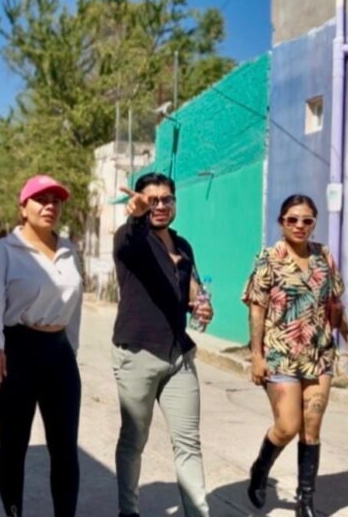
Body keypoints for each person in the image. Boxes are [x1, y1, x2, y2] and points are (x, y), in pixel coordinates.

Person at [243, 194, 348, 517]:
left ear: (314, 223)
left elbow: (334, 304)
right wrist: (256, 355)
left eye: (307, 220)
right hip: (279, 354)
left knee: (312, 427)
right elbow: (256, 309)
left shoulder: (324, 256)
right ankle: (260, 469)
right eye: (292, 219)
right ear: (281, 222)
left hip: (319, 354)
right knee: (287, 426)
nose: (299, 225)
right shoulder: (269, 258)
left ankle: (305, 500)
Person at [0, 174, 83, 517]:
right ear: (23, 208)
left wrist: (71, 350)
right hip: (16, 353)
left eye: (56, 201)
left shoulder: (69, 250)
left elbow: (75, 306)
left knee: (65, 448)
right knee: (14, 446)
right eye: (41, 200)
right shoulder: (4, 252)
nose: (50, 206)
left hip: (59, 354)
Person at [112, 172, 213, 517]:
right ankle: (129, 512)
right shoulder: (130, 236)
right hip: (138, 353)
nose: (159, 206)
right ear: (139, 202)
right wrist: (136, 216)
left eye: (166, 199)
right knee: (134, 440)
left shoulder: (183, 246)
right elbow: (129, 245)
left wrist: (201, 306)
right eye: (151, 200)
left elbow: (193, 292)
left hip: (178, 356)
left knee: (188, 443)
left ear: (174, 202)